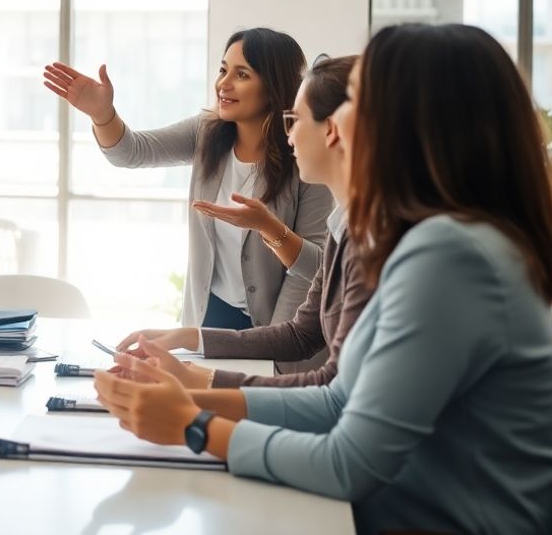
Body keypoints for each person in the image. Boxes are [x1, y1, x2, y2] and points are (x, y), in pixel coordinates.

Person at [96, 24, 552, 535]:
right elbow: (340, 400)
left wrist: (193, 425)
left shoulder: (450, 257)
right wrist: (193, 394)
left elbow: (349, 464)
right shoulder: (433, 239)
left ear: (407, 125)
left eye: (358, 99)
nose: (335, 117)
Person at [44, 28, 331, 333]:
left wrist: (269, 229)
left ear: (274, 85)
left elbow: (317, 268)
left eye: (242, 74)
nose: (223, 83)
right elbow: (131, 152)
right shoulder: (206, 132)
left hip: (280, 321)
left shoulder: (306, 158)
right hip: (209, 317)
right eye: (223, 70)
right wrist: (102, 115)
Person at [119, 56, 373, 388]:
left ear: (334, 130)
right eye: (224, 70)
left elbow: (331, 391)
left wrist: (203, 385)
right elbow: (301, 334)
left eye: (295, 121)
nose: (290, 136)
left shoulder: (373, 239)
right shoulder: (346, 223)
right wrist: (186, 338)